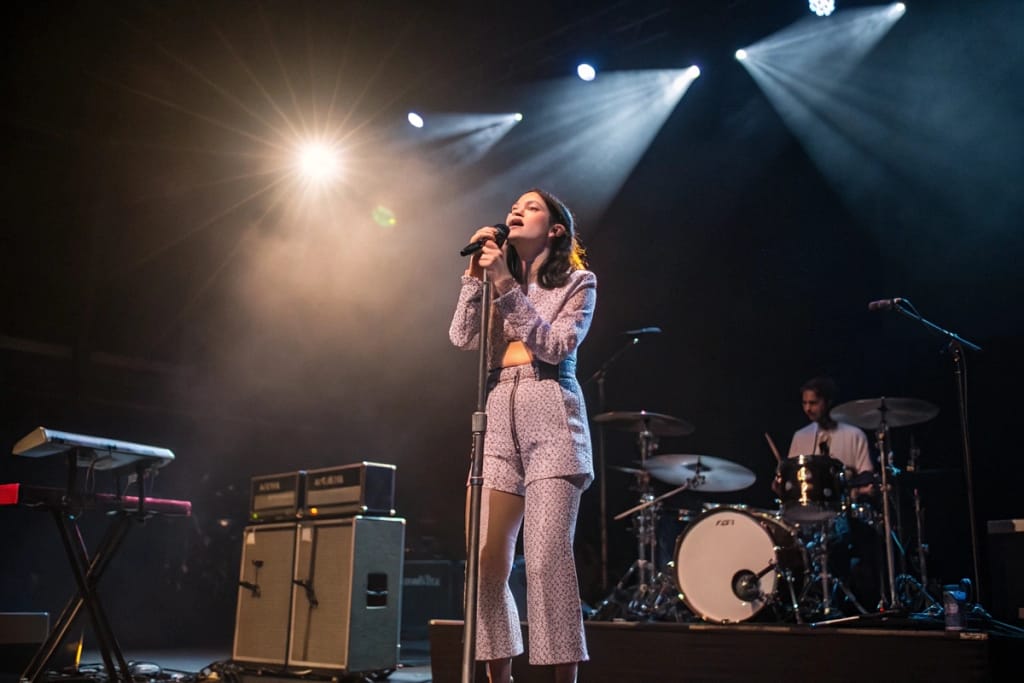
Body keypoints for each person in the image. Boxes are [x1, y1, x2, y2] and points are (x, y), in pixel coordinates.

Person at [449, 189, 596, 683]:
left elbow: (555, 347)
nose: (516, 210)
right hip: (496, 415)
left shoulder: (578, 282)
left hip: (551, 413)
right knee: (486, 559)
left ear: (556, 229)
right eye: (514, 205)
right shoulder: (491, 282)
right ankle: (500, 676)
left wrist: (506, 284)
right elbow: (460, 337)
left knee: (545, 559)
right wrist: (476, 280)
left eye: (531, 207)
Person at [775, 376, 881, 610]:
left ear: (828, 402)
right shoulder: (800, 436)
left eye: (813, 403)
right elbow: (790, 480)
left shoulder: (854, 435)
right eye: (804, 403)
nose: (808, 409)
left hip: (843, 514)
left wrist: (857, 489)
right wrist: (781, 486)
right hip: (805, 517)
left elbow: (867, 480)